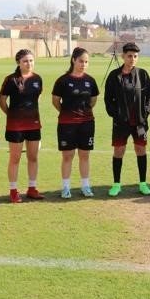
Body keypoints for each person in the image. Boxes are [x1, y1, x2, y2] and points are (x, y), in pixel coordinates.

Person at [104, 42, 150, 196]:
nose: (132, 59)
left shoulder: (142, 74)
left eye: (135, 56)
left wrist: (145, 113)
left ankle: (143, 183)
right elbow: (108, 99)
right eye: (129, 56)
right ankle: (116, 184)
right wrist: (115, 114)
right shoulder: (114, 76)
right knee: (119, 151)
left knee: (141, 150)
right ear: (123, 56)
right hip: (121, 123)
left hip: (139, 122)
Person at [52, 47, 99, 198]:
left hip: (87, 123)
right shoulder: (63, 80)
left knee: (85, 155)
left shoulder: (90, 80)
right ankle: (66, 187)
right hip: (67, 124)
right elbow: (55, 101)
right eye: (81, 61)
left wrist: (83, 112)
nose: (83, 64)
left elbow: (93, 100)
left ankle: (85, 186)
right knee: (68, 156)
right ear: (73, 60)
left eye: (86, 62)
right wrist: (66, 112)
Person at [0, 49, 44, 202]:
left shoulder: (38, 78)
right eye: (25, 61)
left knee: (33, 157)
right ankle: (13, 190)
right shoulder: (11, 80)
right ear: (18, 62)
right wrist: (11, 115)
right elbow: (2, 100)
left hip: (34, 124)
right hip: (15, 126)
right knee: (15, 158)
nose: (29, 63)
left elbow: (37, 98)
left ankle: (32, 188)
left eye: (31, 60)